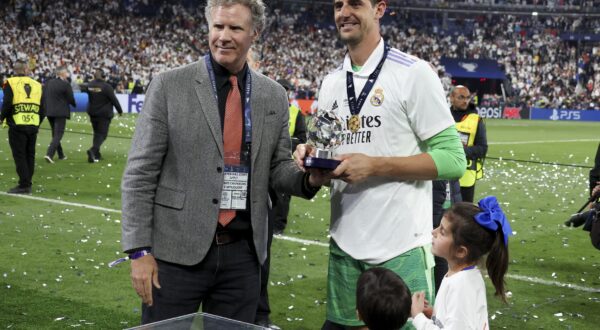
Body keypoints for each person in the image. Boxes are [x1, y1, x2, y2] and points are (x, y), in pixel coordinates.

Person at [120, 0, 319, 325]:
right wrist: (139, 251)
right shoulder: (170, 85)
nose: (223, 36)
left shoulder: (272, 95)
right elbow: (139, 175)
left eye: (235, 28)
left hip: (242, 257)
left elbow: (278, 168)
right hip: (174, 255)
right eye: (218, 26)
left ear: (254, 33)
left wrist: (309, 176)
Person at [294, 1, 466, 328]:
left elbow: (454, 158)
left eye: (355, 3)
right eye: (337, 4)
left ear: (379, 9)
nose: (344, 11)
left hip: (400, 247)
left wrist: (375, 166)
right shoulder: (331, 82)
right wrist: (309, 156)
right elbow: (325, 151)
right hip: (344, 245)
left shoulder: (414, 73)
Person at [411, 196, 512, 330]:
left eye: (442, 231)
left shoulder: (461, 285)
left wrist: (418, 317)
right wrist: (431, 313)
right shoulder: (459, 276)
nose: (433, 232)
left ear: (460, 251)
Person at [0, 61, 45, 194]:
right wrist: (37, 122)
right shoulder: (37, 85)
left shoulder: (10, 83)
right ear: (26, 70)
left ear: (15, 70)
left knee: (20, 155)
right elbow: (43, 108)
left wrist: (2, 117)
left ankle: (24, 184)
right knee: (30, 154)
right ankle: (27, 182)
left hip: (17, 124)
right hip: (32, 124)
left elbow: (7, 103)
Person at [272, 78, 307, 234]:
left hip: (286, 161)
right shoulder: (268, 109)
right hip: (268, 159)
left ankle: (279, 225)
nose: (284, 91)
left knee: (283, 195)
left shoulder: (295, 112)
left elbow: (302, 138)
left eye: (286, 89)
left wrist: (284, 143)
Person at [449, 85, 488, 203]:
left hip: (466, 178)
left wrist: (460, 152)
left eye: (467, 98)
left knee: (463, 216)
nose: (465, 101)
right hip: (443, 175)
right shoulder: (443, 116)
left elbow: (482, 148)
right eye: (461, 97)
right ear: (451, 98)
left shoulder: (476, 120)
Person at [81, 69, 123, 163]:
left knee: (97, 134)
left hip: (92, 112)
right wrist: (120, 111)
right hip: (104, 114)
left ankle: (96, 154)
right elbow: (114, 100)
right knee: (102, 135)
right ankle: (93, 150)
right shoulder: (107, 87)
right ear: (103, 76)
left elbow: (83, 88)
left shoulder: (90, 85)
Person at [431, 179, 461, 293]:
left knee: (441, 260)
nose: (433, 233)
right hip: (444, 208)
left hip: (441, 209)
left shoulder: (464, 282)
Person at [43, 66, 75, 163]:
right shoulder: (65, 84)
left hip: (49, 111)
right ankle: (49, 154)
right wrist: (74, 104)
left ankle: (61, 155)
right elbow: (70, 98)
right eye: (66, 72)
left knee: (55, 134)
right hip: (60, 112)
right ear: (62, 74)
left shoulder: (48, 83)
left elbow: (44, 95)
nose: (67, 74)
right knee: (58, 134)